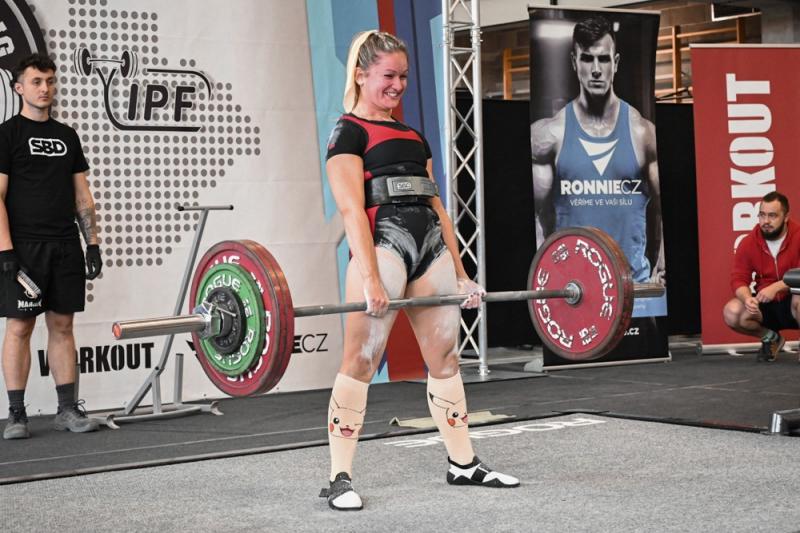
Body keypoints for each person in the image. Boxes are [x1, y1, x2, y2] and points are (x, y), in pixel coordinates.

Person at [321, 30, 519, 511]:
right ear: (361, 74)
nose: (398, 85)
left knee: (445, 356)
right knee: (361, 361)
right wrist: (371, 278)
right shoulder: (348, 133)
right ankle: (339, 477)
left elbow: (438, 208)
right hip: (382, 246)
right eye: (388, 75)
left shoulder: (414, 136)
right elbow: (351, 211)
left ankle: (462, 463)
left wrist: (462, 274)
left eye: (404, 77)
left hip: (429, 246)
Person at [0, 53, 102, 440]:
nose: (45, 88)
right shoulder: (6, 134)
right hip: (24, 247)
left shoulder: (66, 135)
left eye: (50, 81)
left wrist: (92, 244)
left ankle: (66, 410)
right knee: (20, 326)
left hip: (65, 245)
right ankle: (16, 415)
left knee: (62, 326)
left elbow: (82, 195)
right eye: (37, 81)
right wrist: (6, 251)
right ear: (19, 88)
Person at [530, 16, 664, 284]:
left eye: (603, 59)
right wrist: (550, 274)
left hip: (632, 286)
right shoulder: (549, 135)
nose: (595, 70)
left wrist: (660, 270)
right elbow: (537, 215)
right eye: (587, 59)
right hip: (574, 288)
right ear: (574, 62)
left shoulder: (642, 133)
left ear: (615, 63)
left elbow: (662, 210)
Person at [723, 192, 800, 361]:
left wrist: (776, 287)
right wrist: (746, 298)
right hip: (766, 305)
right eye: (762, 215)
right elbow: (738, 278)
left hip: (794, 304)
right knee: (732, 312)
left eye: (772, 216)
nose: (766, 221)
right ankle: (772, 338)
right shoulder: (749, 242)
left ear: (786, 217)